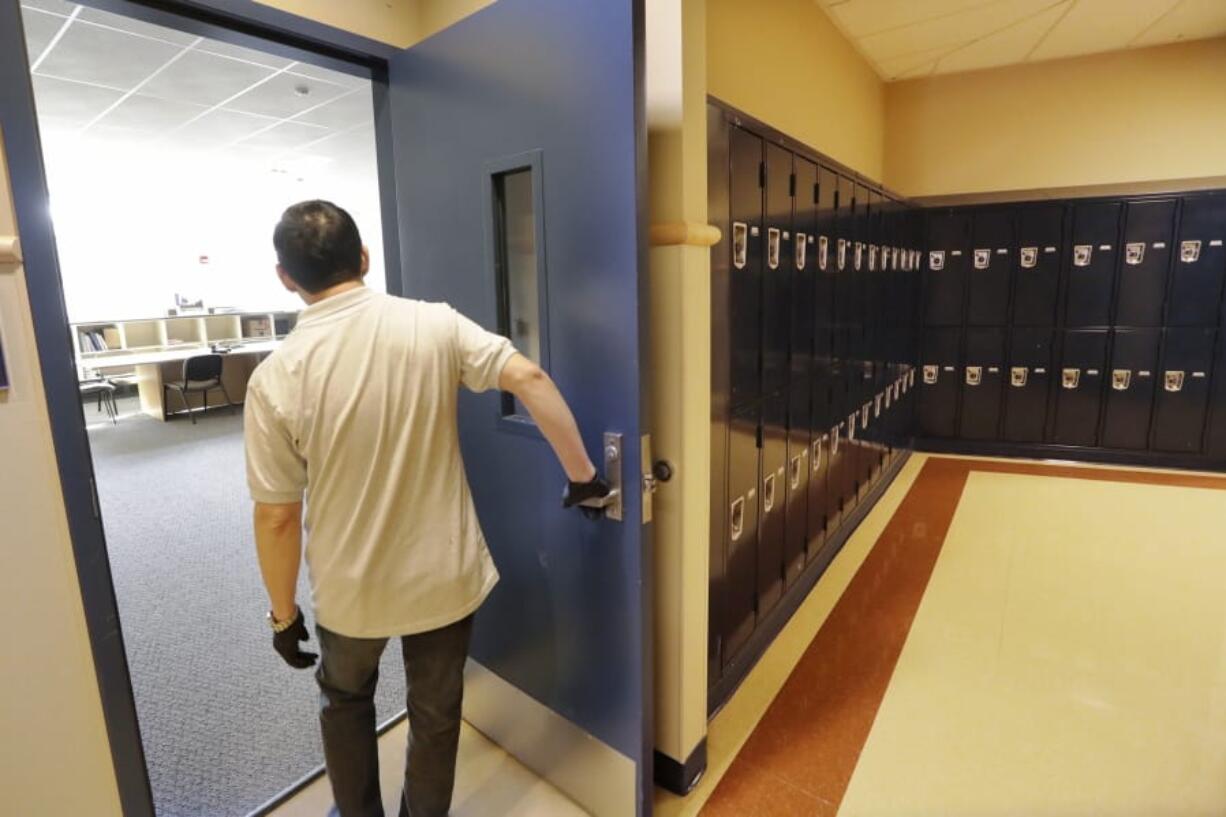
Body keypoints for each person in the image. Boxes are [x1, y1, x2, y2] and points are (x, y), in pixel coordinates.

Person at [245, 200, 609, 817]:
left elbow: (276, 515)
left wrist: (283, 617)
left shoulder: (276, 377)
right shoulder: (433, 324)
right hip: (442, 575)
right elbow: (532, 381)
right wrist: (583, 477)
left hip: (349, 588)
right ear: (363, 258)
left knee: (346, 702)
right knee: (437, 713)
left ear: (284, 277)